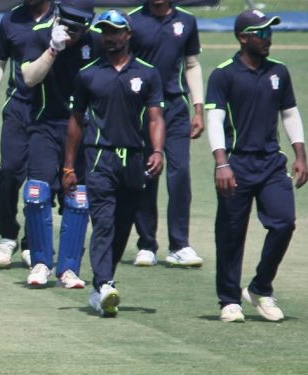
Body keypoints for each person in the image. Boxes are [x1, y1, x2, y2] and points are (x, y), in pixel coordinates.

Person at [62, 9, 165, 317]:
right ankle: (105, 283)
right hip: (99, 157)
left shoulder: (147, 73)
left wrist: (157, 151)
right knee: (104, 222)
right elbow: (76, 121)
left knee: (123, 225)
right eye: (105, 31)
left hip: (133, 158)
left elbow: (156, 117)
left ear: (128, 34)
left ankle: (99, 289)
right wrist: (68, 166)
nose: (110, 37)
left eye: (115, 31)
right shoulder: (88, 74)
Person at [205, 10, 306, 323]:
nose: (268, 39)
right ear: (243, 38)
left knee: (284, 222)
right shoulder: (223, 74)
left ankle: (261, 287)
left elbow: (289, 113)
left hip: (271, 163)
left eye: (269, 32)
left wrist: (300, 154)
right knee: (231, 233)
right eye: (260, 33)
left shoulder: (280, 72)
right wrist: (221, 162)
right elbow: (215, 119)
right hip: (236, 163)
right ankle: (229, 300)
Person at [17, 0, 99, 288]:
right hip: (45, 124)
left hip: (82, 128)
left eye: (78, 27)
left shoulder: (96, 41)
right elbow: (28, 78)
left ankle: (69, 268)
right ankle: (40, 263)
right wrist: (52, 50)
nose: (72, 33)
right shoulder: (40, 34)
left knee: (78, 198)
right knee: (37, 193)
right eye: (68, 24)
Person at [0, 0, 55, 271]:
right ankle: (7, 235)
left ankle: (32, 242)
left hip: (52, 111)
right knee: (10, 171)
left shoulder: (62, 16)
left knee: (41, 179)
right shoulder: (11, 19)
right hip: (18, 107)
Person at [128, 0, 205, 268]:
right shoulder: (133, 21)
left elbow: (192, 64)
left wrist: (198, 108)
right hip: (143, 109)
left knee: (180, 173)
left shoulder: (187, 21)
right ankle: (146, 245)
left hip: (175, 107)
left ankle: (179, 245)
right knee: (147, 174)